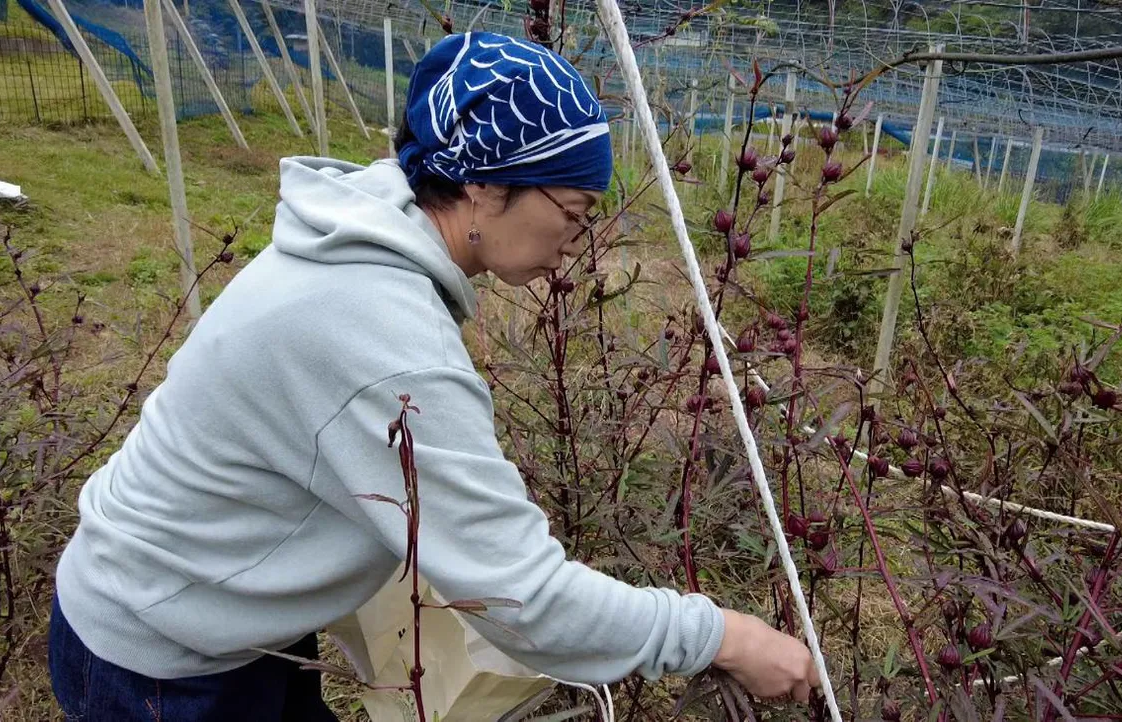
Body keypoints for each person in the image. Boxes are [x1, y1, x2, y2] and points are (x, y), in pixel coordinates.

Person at [47, 31, 820, 720]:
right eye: (576, 210)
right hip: (158, 661)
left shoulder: (365, 235)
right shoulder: (380, 329)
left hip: (207, 614)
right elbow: (522, 599)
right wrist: (725, 637)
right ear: (485, 184)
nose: (576, 240)